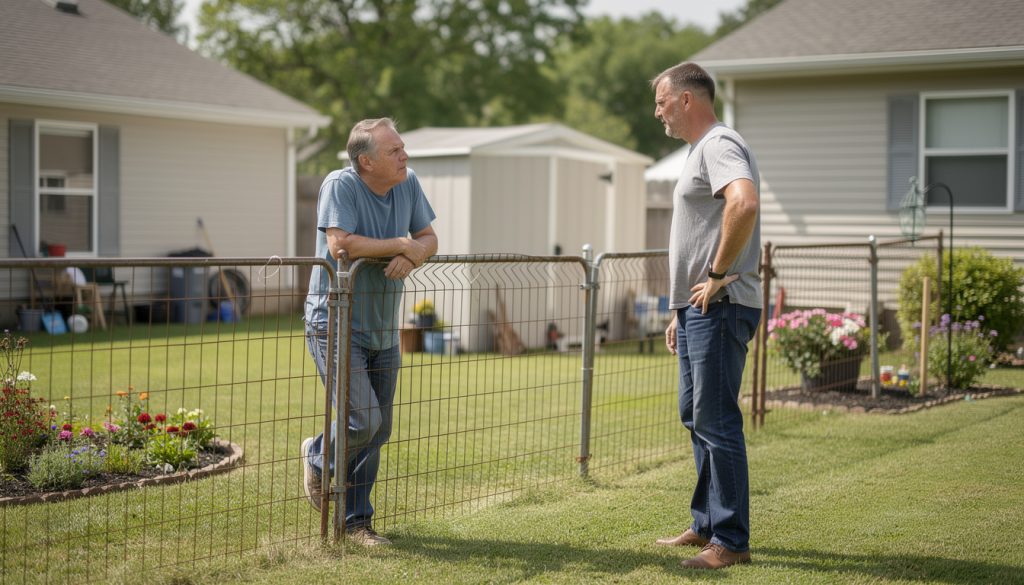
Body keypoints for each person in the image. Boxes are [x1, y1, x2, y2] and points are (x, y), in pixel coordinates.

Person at [301, 118, 438, 546]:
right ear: (366, 161)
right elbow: (340, 245)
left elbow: (428, 237)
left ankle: (357, 524)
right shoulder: (339, 185)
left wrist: (414, 255)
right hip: (335, 323)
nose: (405, 156)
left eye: (402, 148)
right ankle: (319, 457)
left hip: (381, 325)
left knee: (379, 429)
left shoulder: (408, 183)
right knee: (363, 418)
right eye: (394, 151)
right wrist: (401, 245)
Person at [650, 62, 762, 569]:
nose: (658, 113)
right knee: (695, 417)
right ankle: (705, 524)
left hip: (722, 306)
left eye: (661, 102)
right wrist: (680, 309)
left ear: (687, 100)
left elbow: (744, 203)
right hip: (698, 310)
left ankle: (731, 542)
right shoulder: (699, 151)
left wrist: (717, 273)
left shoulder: (718, 143)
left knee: (716, 422)